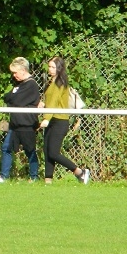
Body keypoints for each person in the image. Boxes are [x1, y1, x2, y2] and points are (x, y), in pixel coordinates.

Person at [39, 56, 91, 184]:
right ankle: (48, 181)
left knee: (53, 153)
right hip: (52, 119)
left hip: (60, 121)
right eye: (49, 66)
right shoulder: (51, 82)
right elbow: (51, 102)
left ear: (59, 68)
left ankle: (80, 172)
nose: (50, 69)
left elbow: (54, 101)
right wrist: (43, 105)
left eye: (53, 67)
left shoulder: (60, 83)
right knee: (47, 151)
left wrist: (46, 118)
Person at [0, 57, 41, 182]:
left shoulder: (31, 85)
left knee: (29, 150)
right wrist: (13, 97)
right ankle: (3, 176)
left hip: (26, 124)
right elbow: (7, 98)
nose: (14, 75)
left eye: (15, 72)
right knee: (6, 148)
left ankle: (34, 177)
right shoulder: (19, 84)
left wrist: (13, 97)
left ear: (23, 70)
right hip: (15, 124)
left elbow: (17, 101)